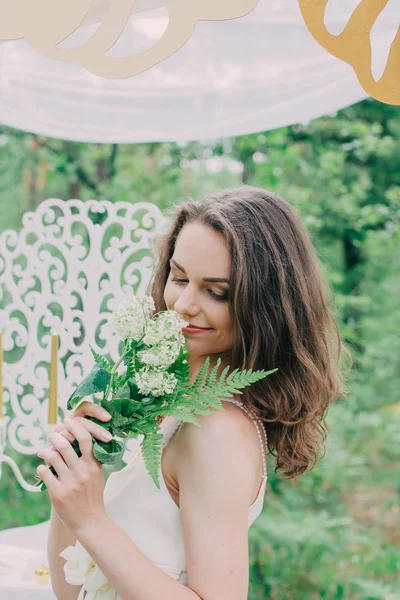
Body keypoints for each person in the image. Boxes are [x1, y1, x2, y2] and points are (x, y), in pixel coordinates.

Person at [38, 185, 350, 600]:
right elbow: (72, 589)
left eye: (216, 292)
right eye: (179, 277)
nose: (183, 303)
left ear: (267, 305)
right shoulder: (165, 403)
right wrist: (72, 485)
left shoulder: (215, 430)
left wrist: (93, 518)